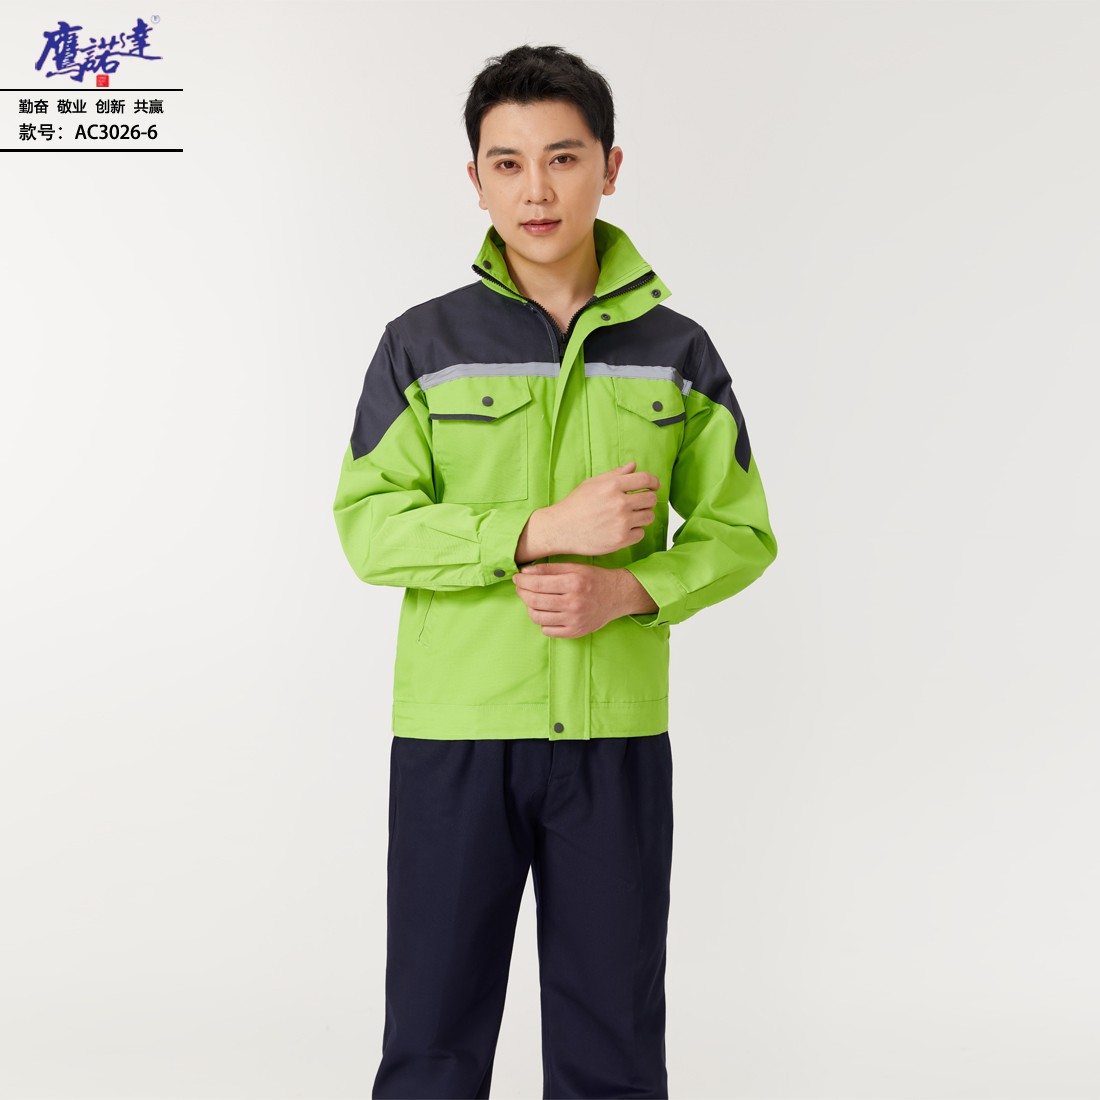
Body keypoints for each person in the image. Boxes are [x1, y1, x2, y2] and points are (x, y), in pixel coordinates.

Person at [332, 43, 778, 1100]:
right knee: (433, 1038)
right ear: (476, 180)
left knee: (613, 1042)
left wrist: (632, 588)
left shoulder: (677, 351)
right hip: (455, 734)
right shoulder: (420, 344)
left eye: (563, 158)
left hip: (614, 738)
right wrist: (533, 530)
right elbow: (369, 526)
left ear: (609, 168)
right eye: (508, 163)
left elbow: (739, 531)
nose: (537, 189)